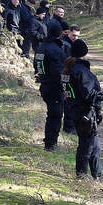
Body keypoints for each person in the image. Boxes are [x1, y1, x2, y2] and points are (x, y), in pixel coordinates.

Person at [63, 39, 103, 179]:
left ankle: (96, 175)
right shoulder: (81, 71)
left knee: (95, 145)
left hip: (75, 111)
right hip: (84, 113)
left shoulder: (69, 68)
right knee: (86, 145)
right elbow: (88, 95)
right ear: (84, 53)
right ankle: (81, 176)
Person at [36, 20, 68, 151]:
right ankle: (50, 144)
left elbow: (37, 66)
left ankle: (50, 142)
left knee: (52, 114)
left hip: (44, 85)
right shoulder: (55, 50)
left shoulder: (41, 47)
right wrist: (65, 88)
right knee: (55, 115)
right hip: (54, 87)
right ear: (58, 33)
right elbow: (59, 72)